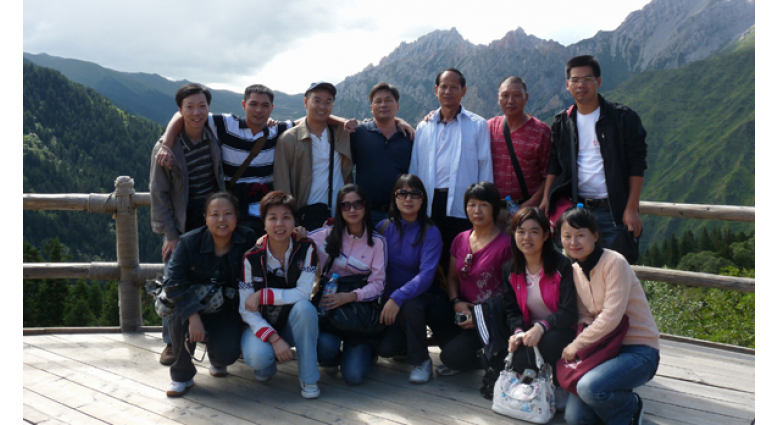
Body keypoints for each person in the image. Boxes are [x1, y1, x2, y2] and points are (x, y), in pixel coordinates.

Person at [557, 207, 660, 425]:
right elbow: (584, 314)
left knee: (589, 388)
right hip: (603, 351)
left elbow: (612, 316)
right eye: (567, 236)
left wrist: (577, 344)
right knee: (575, 418)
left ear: (595, 235)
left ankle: (631, 406)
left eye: (580, 235)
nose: (573, 242)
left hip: (638, 350)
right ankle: (615, 400)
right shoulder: (575, 271)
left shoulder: (614, 262)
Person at [540, 55, 648, 261]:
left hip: (614, 211)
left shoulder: (622, 118)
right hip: (577, 211)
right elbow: (554, 162)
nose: (581, 85)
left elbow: (637, 163)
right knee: (577, 273)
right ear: (567, 85)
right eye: (575, 80)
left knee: (615, 271)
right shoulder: (563, 122)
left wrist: (632, 208)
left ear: (598, 81)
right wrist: (547, 196)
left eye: (587, 79)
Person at [150, 83, 225, 366]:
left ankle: (210, 337)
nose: (197, 112)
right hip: (181, 223)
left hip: (212, 219)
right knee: (173, 278)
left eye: (202, 106)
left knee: (214, 277)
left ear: (209, 108)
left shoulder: (213, 134)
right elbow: (158, 192)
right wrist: (170, 234)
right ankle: (172, 342)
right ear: (180, 111)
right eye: (189, 107)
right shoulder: (165, 149)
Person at [154, 85, 295, 235]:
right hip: (235, 214)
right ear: (243, 105)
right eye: (253, 104)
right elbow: (183, 115)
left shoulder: (277, 131)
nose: (259, 110)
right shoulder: (225, 125)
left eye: (264, 105)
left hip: (267, 214)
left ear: (271, 108)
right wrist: (166, 145)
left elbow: (306, 122)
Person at [163, 192, 257, 397]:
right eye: (214, 214)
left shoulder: (248, 239)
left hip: (226, 309)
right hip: (191, 305)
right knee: (178, 316)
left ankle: (217, 358)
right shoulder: (189, 242)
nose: (222, 219)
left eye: (228, 214)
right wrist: (193, 315)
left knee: (226, 354)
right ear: (205, 218)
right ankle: (181, 375)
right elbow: (172, 283)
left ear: (236, 217)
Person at [239, 191, 321, 399]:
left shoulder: (306, 248)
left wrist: (263, 295)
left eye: (286, 217)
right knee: (259, 359)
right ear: (264, 223)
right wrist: (274, 339)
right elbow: (246, 309)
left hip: (291, 322)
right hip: (262, 323)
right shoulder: (251, 258)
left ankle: (309, 378)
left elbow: (304, 293)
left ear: (294, 221)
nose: (279, 224)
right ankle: (267, 362)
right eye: (272, 218)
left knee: (305, 309)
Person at [410, 69, 492, 273]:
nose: (448, 91)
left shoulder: (477, 125)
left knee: (461, 260)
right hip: (430, 203)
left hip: (463, 204)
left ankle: (456, 293)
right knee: (429, 259)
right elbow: (415, 166)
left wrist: (486, 204)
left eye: (454, 87)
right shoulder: (424, 127)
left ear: (463, 91)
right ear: (436, 90)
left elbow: (485, 165)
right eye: (443, 87)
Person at [308, 184, 387, 386]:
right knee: (324, 348)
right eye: (346, 205)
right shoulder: (325, 235)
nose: (352, 210)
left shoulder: (377, 242)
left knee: (354, 376)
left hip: (358, 312)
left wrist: (350, 296)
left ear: (366, 207)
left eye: (358, 204)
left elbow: (378, 285)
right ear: (339, 209)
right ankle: (332, 359)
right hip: (330, 310)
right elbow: (295, 240)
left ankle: (365, 353)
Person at [503, 207, 577, 409]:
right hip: (530, 332)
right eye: (521, 232)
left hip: (561, 330)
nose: (527, 238)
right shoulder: (510, 269)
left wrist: (542, 326)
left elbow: (569, 311)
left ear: (545, 235)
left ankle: (561, 383)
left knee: (549, 342)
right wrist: (517, 332)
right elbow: (512, 310)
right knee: (517, 356)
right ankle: (536, 385)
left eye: (534, 232)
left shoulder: (562, 266)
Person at [374, 174, 446, 384]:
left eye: (415, 194)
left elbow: (426, 276)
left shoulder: (430, 231)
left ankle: (421, 360)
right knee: (386, 349)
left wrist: (397, 297)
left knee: (410, 306)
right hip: (390, 298)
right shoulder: (383, 227)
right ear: (395, 198)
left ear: (423, 199)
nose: (408, 198)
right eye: (402, 193)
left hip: (421, 296)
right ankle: (405, 346)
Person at [438, 182, 512, 376]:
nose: (477, 211)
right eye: (472, 205)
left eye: (484, 205)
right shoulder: (460, 239)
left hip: (490, 318)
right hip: (463, 311)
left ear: (494, 208)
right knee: (434, 309)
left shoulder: (506, 245)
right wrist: (455, 301)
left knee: (450, 357)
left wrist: (480, 318)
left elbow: (511, 293)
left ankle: (492, 358)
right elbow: (452, 277)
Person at [273, 82, 354, 230]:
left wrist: (398, 121)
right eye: (317, 101)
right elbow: (282, 184)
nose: (322, 106)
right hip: (306, 220)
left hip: (340, 217)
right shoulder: (288, 139)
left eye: (328, 102)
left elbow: (372, 124)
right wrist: (289, 222)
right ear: (306, 102)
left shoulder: (341, 134)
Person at [350, 83, 414, 227]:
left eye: (388, 100)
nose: (383, 105)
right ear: (371, 108)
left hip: (401, 212)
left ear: (397, 105)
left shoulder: (408, 137)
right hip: (367, 213)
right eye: (378, 101)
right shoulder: (359, 133)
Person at [487, 77, 551, 221]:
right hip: (492, 211)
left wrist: (532, 203)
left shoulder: (541, 132)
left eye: (516, 95)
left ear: (526, 98)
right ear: (498, 98)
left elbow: (548, 175)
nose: (510, 101)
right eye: (505, 95)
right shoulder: (489, 128)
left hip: (527, 210)